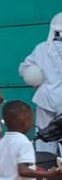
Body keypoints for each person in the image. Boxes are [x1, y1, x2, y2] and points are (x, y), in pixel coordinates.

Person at [20, 12, 62, 153]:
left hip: (45, 98)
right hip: (51, 98)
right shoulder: (42, 48)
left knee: (44, 136)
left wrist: (36, 81)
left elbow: (24, 69)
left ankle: (45, 170)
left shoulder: (41, 49)